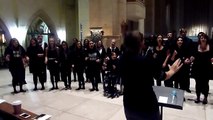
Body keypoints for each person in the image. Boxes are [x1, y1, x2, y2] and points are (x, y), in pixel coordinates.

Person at [119, 31, 183, 120]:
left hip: (129, 105)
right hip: (147, 106)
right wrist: (172, 70)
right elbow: (162, 76)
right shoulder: (145, 61)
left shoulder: (122, 59)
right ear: (140, 44)